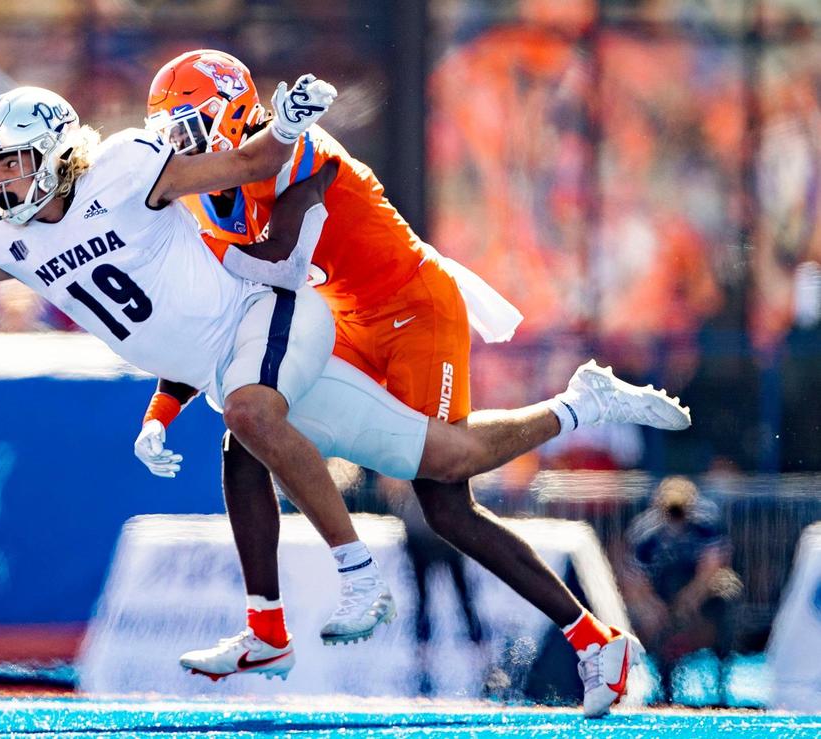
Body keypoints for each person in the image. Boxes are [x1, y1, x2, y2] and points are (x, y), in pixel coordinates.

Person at [0, 74, 410, 673]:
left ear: (52, 153)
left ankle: (359, 575)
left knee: (248, 418)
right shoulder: (5, 235)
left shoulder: (124, 170)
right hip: (210, 364)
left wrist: (288, 125)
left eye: (14, 165)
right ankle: (269, 635)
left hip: (260, 313)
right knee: (251, 457)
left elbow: (246, 164)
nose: (2, 184)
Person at [136, 50, 691, 718]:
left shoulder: (293, 146)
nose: (179, 144)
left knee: (445, 499)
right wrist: (163, 407)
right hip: (341, 317)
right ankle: (265, 625)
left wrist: (202, 254)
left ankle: (579, 419)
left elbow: (277, 258)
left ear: (231, 107)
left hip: (410, 308)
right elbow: (225, 324)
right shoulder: (210, 191)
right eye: (170, 129)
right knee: (246, 432)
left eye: (188, 125)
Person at [623, 476, 741, 705]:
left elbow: (713, 566)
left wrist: (691, 598)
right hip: (662, 591)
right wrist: (653, 607)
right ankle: (665, 682)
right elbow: (637, 580)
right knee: (649, 618)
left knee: (729, 592)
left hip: (702, 587)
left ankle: (722, 671)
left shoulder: (706, 525)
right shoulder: (646, 533)